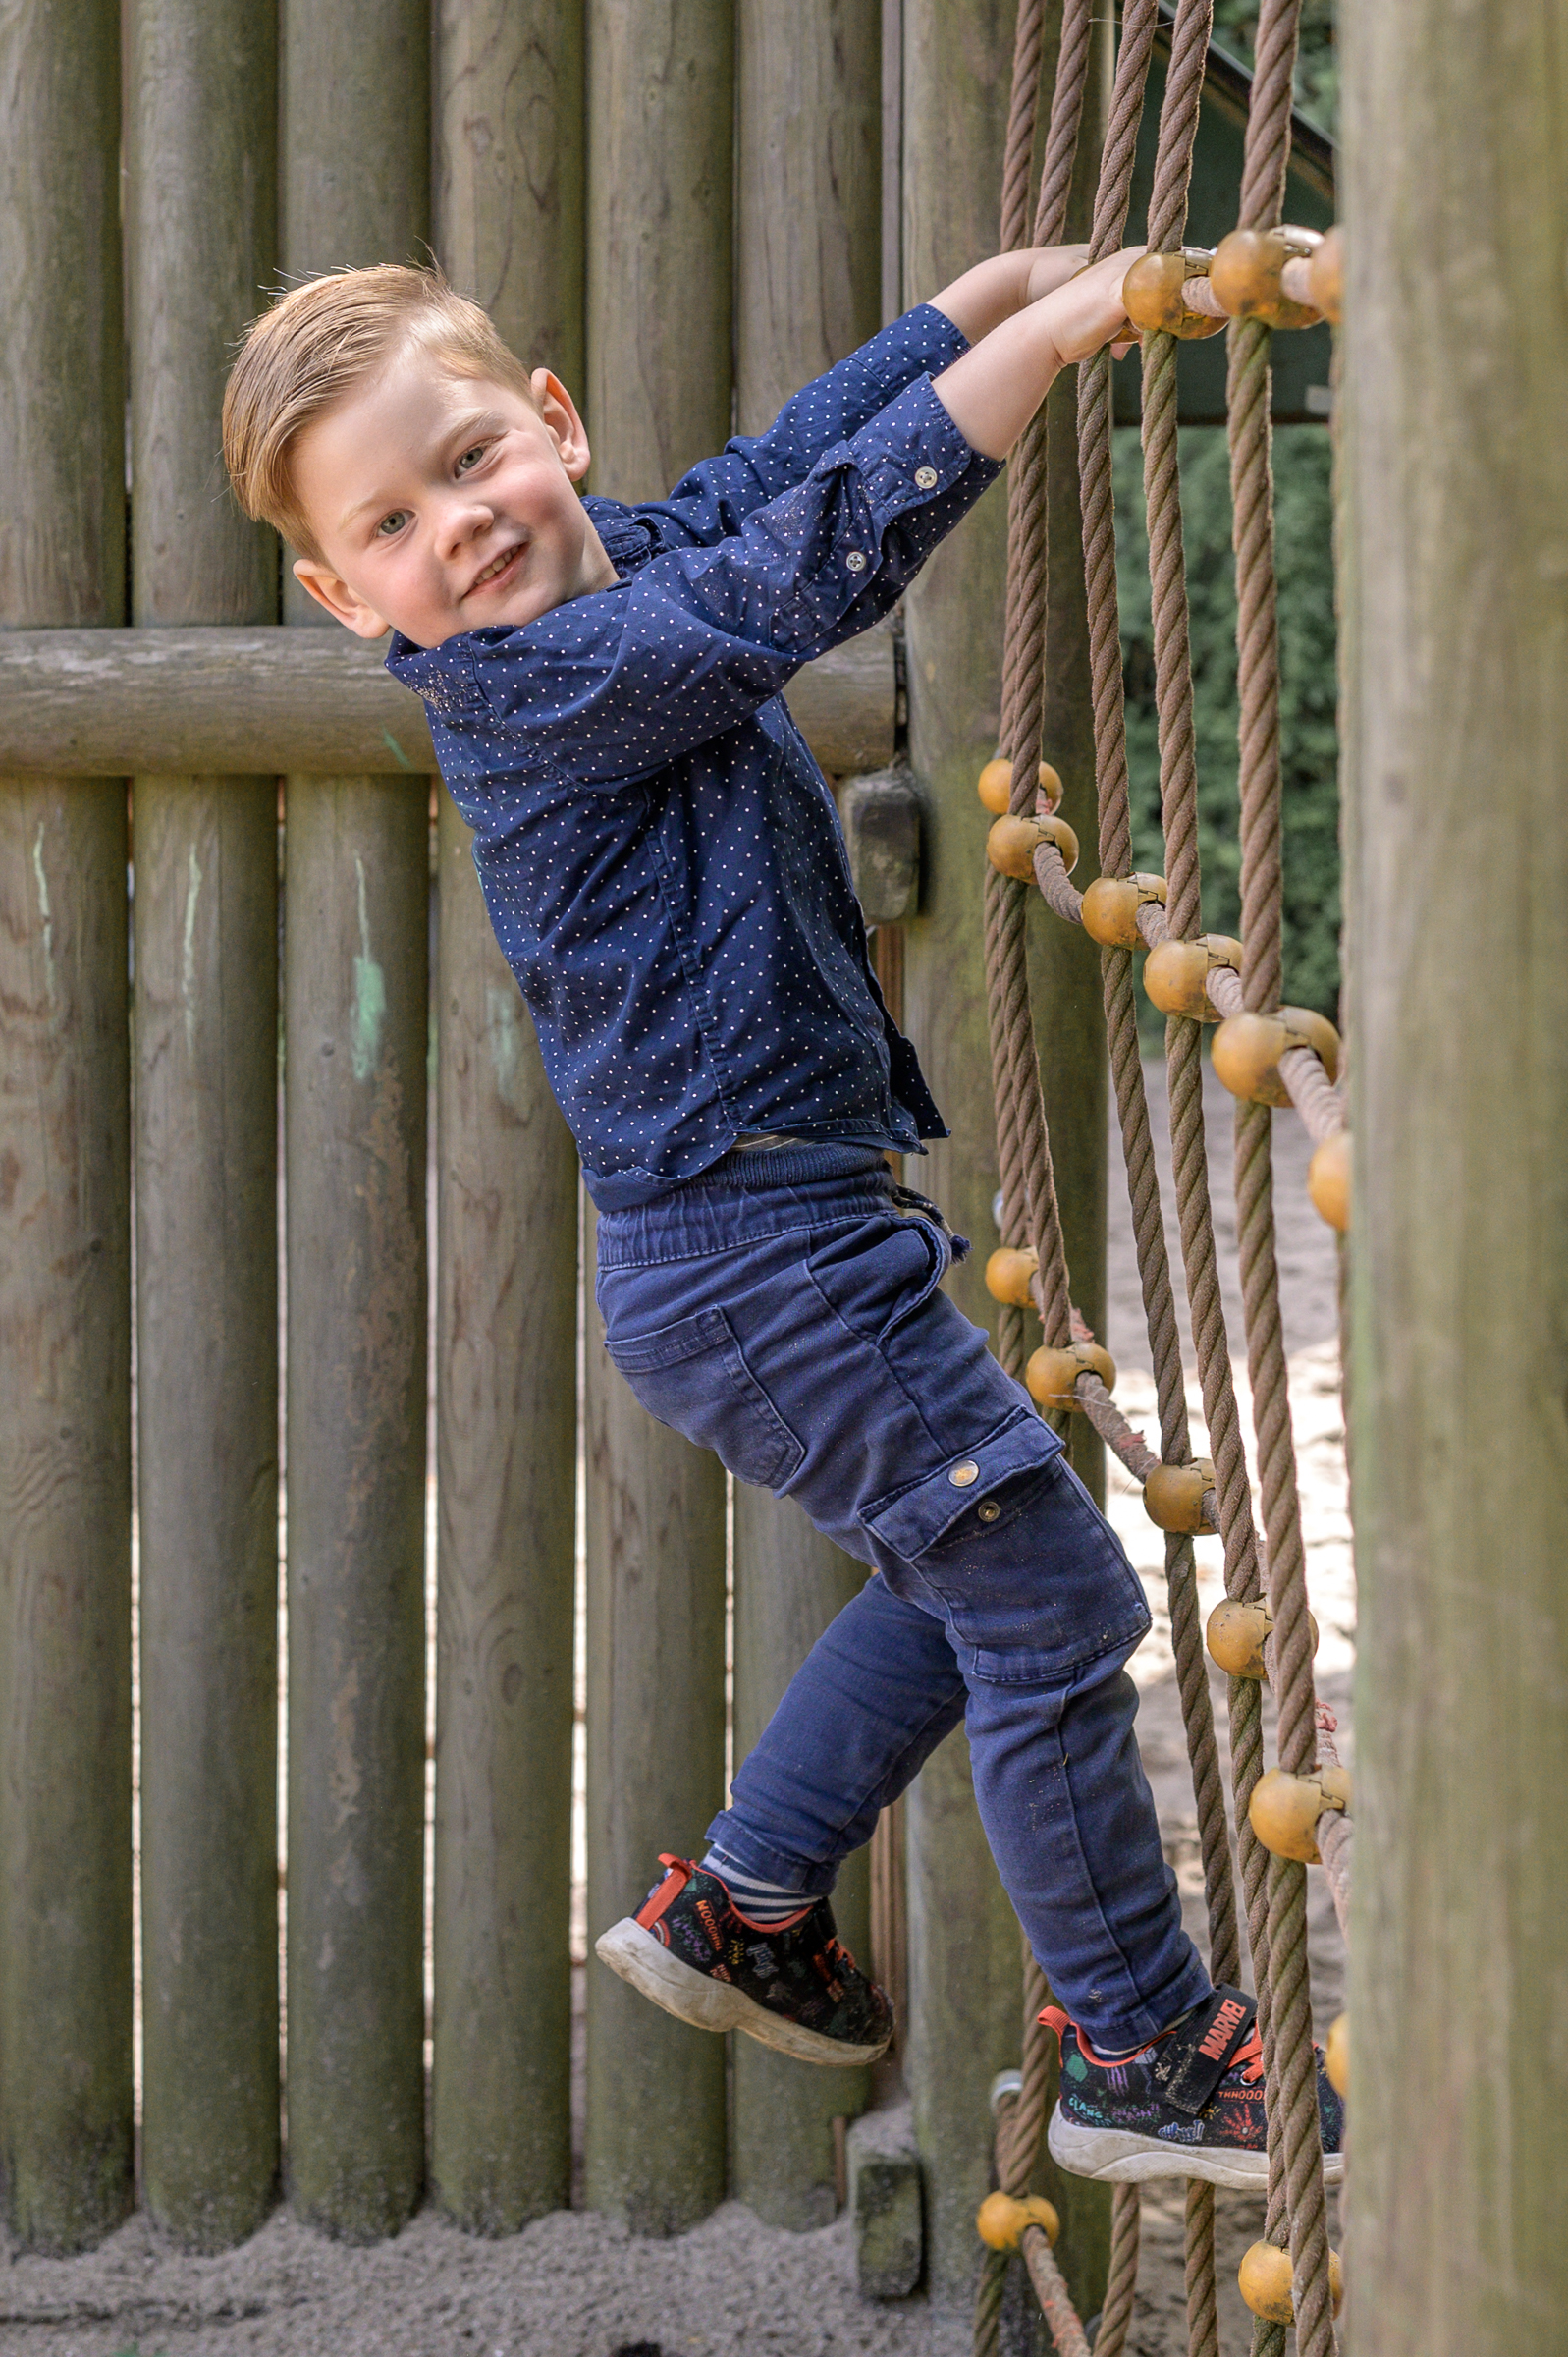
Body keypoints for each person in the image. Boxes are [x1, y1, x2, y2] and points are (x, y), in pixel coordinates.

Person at [222, 249, 1341, 2189]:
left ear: (554, 425)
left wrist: (960, 311)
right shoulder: (533, 685)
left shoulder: (613, 570)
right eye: (388, 526)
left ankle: (747, 1902)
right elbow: (805, 566)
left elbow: (770, 478)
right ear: (344, 598)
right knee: (1055, 1594)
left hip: (771, 1256)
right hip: (762, 1272)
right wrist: (1047, 338)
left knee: (969, 1574)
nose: (456, 527)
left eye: (470, 461)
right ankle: (1143, 2049)